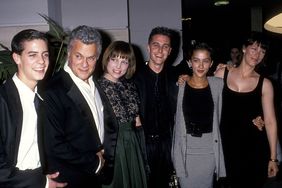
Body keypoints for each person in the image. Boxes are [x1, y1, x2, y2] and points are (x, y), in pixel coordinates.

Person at [42, 25, 117, 188]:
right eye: (78, 56)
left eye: (91, 58)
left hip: (95, 178)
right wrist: (95, 162)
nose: (85, 64)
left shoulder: (97, 83)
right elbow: (54, 145)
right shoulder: (53, 90)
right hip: (70, 180)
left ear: (97, 57)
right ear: (69, 54)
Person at [0, 29, 67, 187]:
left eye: (45, 54)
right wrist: (40, 182)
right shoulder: (3, 100)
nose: (42, 61)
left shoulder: (43, 98)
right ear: (17, 58)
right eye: (33, 55)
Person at [214, 31, 279, 188]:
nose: (257, 55)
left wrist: (273, 158)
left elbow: (270, 122)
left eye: (262, 51)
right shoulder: (222, 73)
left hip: (254, 150)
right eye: (254, 48)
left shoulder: (265, 84)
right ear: (244, 48)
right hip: (225, 148)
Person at [172, 42, 226, 188]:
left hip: (209, 151)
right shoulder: (180, 85)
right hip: (185, 151)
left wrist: (230, 68)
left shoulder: (218, 85)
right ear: (190, 62)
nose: (201, 65)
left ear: (211, 63)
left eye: (205, 61)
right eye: (196, 60)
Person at [98, 40, 148, 188]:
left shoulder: (130, 86)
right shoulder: (96, 87)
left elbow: (137, 122)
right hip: (111, 146)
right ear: (107, 59)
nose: (118, 66)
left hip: (132, 143)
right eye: (114, 60)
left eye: (124, 62)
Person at [133, 26, 177, 188]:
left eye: (165, 46)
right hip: (142, 144)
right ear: (148, 47)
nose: (160, 50)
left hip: (168, 144)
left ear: (170, 50)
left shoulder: (175, 76)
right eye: (156, 45)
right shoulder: (134, 77)